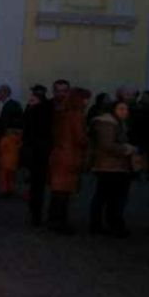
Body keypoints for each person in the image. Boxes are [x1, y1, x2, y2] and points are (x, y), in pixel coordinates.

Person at [88, 101, 136, 237]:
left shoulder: (118, 123)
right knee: (109, 196)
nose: (125, 112)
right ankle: (106, 223)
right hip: (109, 165)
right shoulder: (108, 123)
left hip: (114, 165)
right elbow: (107, 145)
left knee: (108, 196)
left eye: (126, 109)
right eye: (121, 109)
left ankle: (106, 223)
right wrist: (127, 149)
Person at [47, 87, 91, 234]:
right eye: (85, 98)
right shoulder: (76, 115)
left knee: (58, 191)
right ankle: (60, 222)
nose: (87, 102)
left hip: (59, 154)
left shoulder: (61, 113)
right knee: (64, 192)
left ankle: (53, 220)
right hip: (70, 156)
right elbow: (80, 139)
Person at [21, 85, 53, 226]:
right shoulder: (39, 108)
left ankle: (38, 215)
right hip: (37, 152)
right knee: (37, 186)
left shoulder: (41, 109)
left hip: (40, 151)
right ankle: (37, 215)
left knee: (38, 186)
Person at [0, 84, 23, 197]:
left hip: (8, 137)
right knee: (8, 166)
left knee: (5, 166)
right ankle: (8, 188)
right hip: (9, 137)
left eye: (0, 93)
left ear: (5, 93)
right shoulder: (13, 105)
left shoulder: (10, 105)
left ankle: (5, 189)